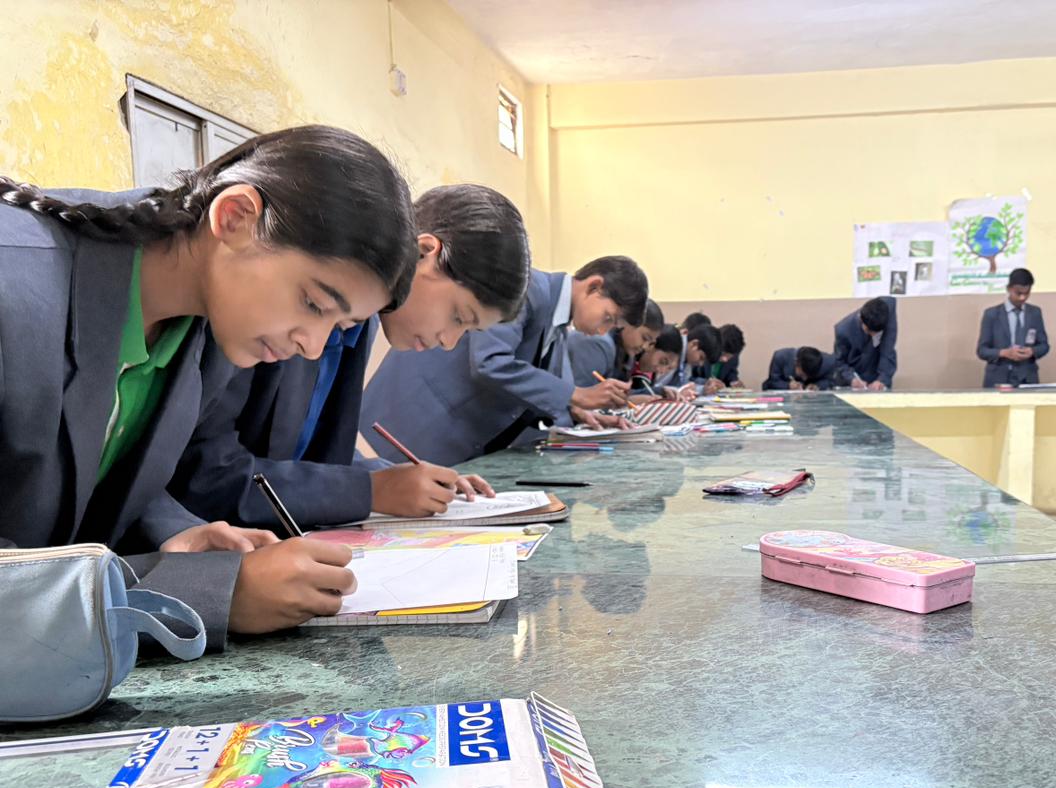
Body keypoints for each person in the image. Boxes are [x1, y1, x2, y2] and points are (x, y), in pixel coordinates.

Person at [0, 125, 418, 647]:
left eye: (340, 326)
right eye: (313, 304)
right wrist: (208, 593)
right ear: (235, 217)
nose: (312, 347)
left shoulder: (203, 331)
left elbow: (88, 466)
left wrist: (174, 529)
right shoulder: (13, 284)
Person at [169, 184, 529, 531]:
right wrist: (371, 491)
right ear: (423, 252)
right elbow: (203, 474)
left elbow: (309, 453)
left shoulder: (360, 326)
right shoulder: (273, 315)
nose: (449, 343)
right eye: (458, 317)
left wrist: (396, 480)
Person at [362, 256, 648, 466]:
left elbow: (530, 386)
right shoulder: (527, 289)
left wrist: (575, 411)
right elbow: (490, 362)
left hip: (451, 438)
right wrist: (576, 394)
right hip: (412, 420)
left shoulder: (558, 323)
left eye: (612, 327)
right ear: (594, 286)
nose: (602, 331)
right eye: (608, 318)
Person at [976, 268, 1049, 388]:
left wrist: (1032, 351)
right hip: (998, 378)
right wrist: (1004, 353)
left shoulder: (1035, 313)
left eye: (1027, 293)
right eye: (1018, 293)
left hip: (1027, 378)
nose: (1022, 298)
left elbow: (1044, 346)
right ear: (1009, 289)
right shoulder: (992, 314)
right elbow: (982, 350)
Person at [569, 297, 664, 387]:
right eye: (644, 338)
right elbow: (578, 394)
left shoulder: (625, 350)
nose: (644, 347)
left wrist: (659, 391)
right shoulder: (599, 343)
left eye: (650, 342)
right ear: (629, 323)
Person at [833, 295, 897, 390]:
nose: (873, 335)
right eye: (869, 331)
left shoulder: (887, 309)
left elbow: (888, 348)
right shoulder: (843, 330)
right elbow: (839, 361)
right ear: (861, 319)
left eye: (877, 332)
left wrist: (882, 379)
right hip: (854, 377)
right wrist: (852, 379)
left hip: (876, 371)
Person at [656, 323, 721, 399]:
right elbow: (656, 386)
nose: (700, 364)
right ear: (694, 344)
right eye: (701, 357)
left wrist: (703, 389)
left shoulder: (687, 358)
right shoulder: (673, 348)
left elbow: (682, 386)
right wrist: (679, 391)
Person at [627, 326, 684, 398]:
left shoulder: (650, 373)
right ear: (650, 345)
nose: (662, 371)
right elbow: (621, 394)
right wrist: (631, 399)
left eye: (669, 368)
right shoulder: (627, 358)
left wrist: (661, 391)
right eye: (662, 361)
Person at [763, 346, 838, 391]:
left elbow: (830, 381)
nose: (805, 379)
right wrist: (788, 385)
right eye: (802, 375)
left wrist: (817, 385)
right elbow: (773, 382)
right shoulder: (780, 357)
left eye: (809, 376)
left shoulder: (829, 362)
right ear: (796, 363)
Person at [700, 323, 745, 394]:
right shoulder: (701, 352)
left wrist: (734, 383)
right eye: (723, 354)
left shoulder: (733, 353)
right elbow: (690, 378)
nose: (725, 359)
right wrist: (706, 384)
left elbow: (731, 374)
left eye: (729, 356)